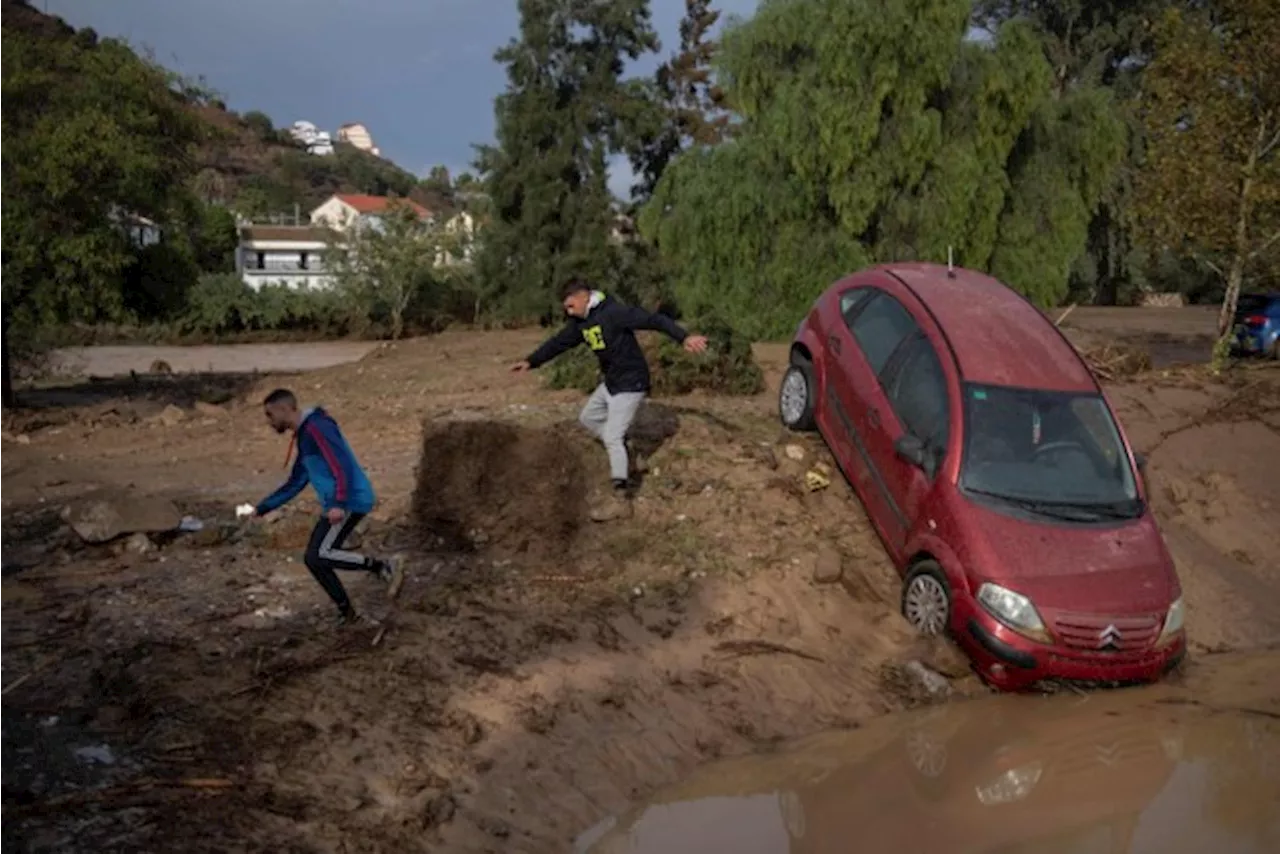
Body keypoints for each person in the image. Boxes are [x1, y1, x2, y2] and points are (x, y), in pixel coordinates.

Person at [511, 280, 708, 521]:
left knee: (613, 436)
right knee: (588, 418)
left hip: (631, 382)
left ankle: (621, 498)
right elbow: (558, 343)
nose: (568, 311)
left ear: (584, 297)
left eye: (571, 305)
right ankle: (629, 455)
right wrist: (532, 361)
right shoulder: (580, 323)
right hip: (612, 382)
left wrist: (684, 337)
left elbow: (654, 320)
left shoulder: (615, 313)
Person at [250, 388, 403, 626]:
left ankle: (382, 566)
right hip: (338, 502)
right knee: (315, 559)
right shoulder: (304, 435)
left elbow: (340, 464)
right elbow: (297, 481)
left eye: (270, 415)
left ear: (284, 409)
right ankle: (348, 613)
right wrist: (262, 508)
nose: (268, 421)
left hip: (349, 501)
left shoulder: (318, 427)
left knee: (319, 554)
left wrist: (339, 503)